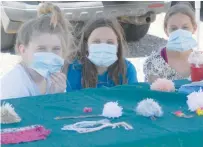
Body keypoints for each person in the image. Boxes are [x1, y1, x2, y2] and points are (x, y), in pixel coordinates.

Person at [0, 3, 75, 99]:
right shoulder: (14, 85)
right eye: (41, 49)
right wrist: (53, 97)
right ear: (23, 50)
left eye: (56, 49)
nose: (49, 55)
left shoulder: (52, 79)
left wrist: (58, 94)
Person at [66, 19, 138, 91]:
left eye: (110, 42)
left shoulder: (127, 70)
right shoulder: (75, 69)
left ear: (117, 46)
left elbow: (132, 98)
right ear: (87, 45)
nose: (103, 47)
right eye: (96, 42)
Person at [143, 3, 197, 83]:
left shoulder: (200, 61)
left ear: (194, 28)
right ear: (166, 31)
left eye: (185, 27)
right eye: (174, 29)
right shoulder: (154, 63)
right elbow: (153, 94)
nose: (179, 32)